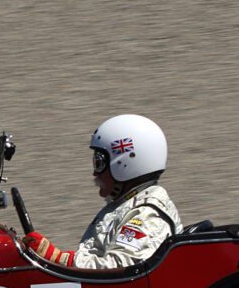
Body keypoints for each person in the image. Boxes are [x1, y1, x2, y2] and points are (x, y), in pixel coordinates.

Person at [23, 114, 182, 271]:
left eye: (99, 163)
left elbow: (120, 269)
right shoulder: (127, 205)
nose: (95, 174)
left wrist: (59, 258)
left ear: (125, 163)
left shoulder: (146, 215)